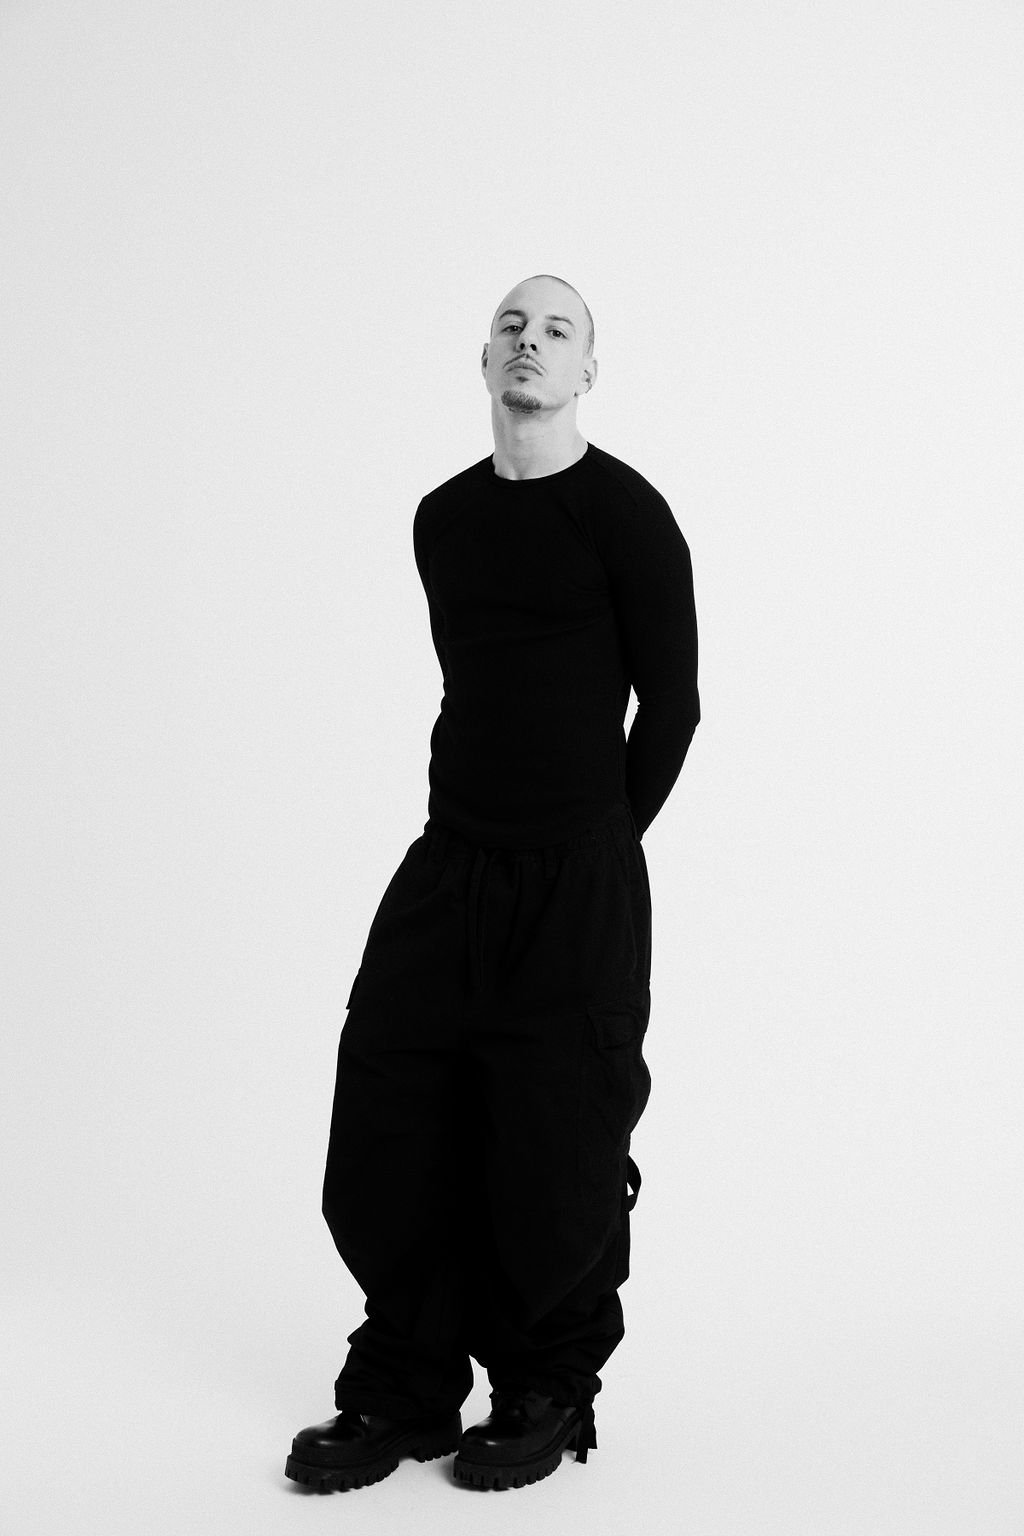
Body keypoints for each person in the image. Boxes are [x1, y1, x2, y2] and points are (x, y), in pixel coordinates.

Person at [285, 274, 700, 1494]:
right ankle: (407, 1382)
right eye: (511, 326)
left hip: (578, 876)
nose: (530, 342)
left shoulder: (628, 515)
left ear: (587, 373)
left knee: (556, 1133)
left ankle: (544, 1381)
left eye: (556, 330)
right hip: (450, 859)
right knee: (393, 1105)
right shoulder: (444, 520)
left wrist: (596, 847)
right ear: (483, 362)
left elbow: (671, 708)